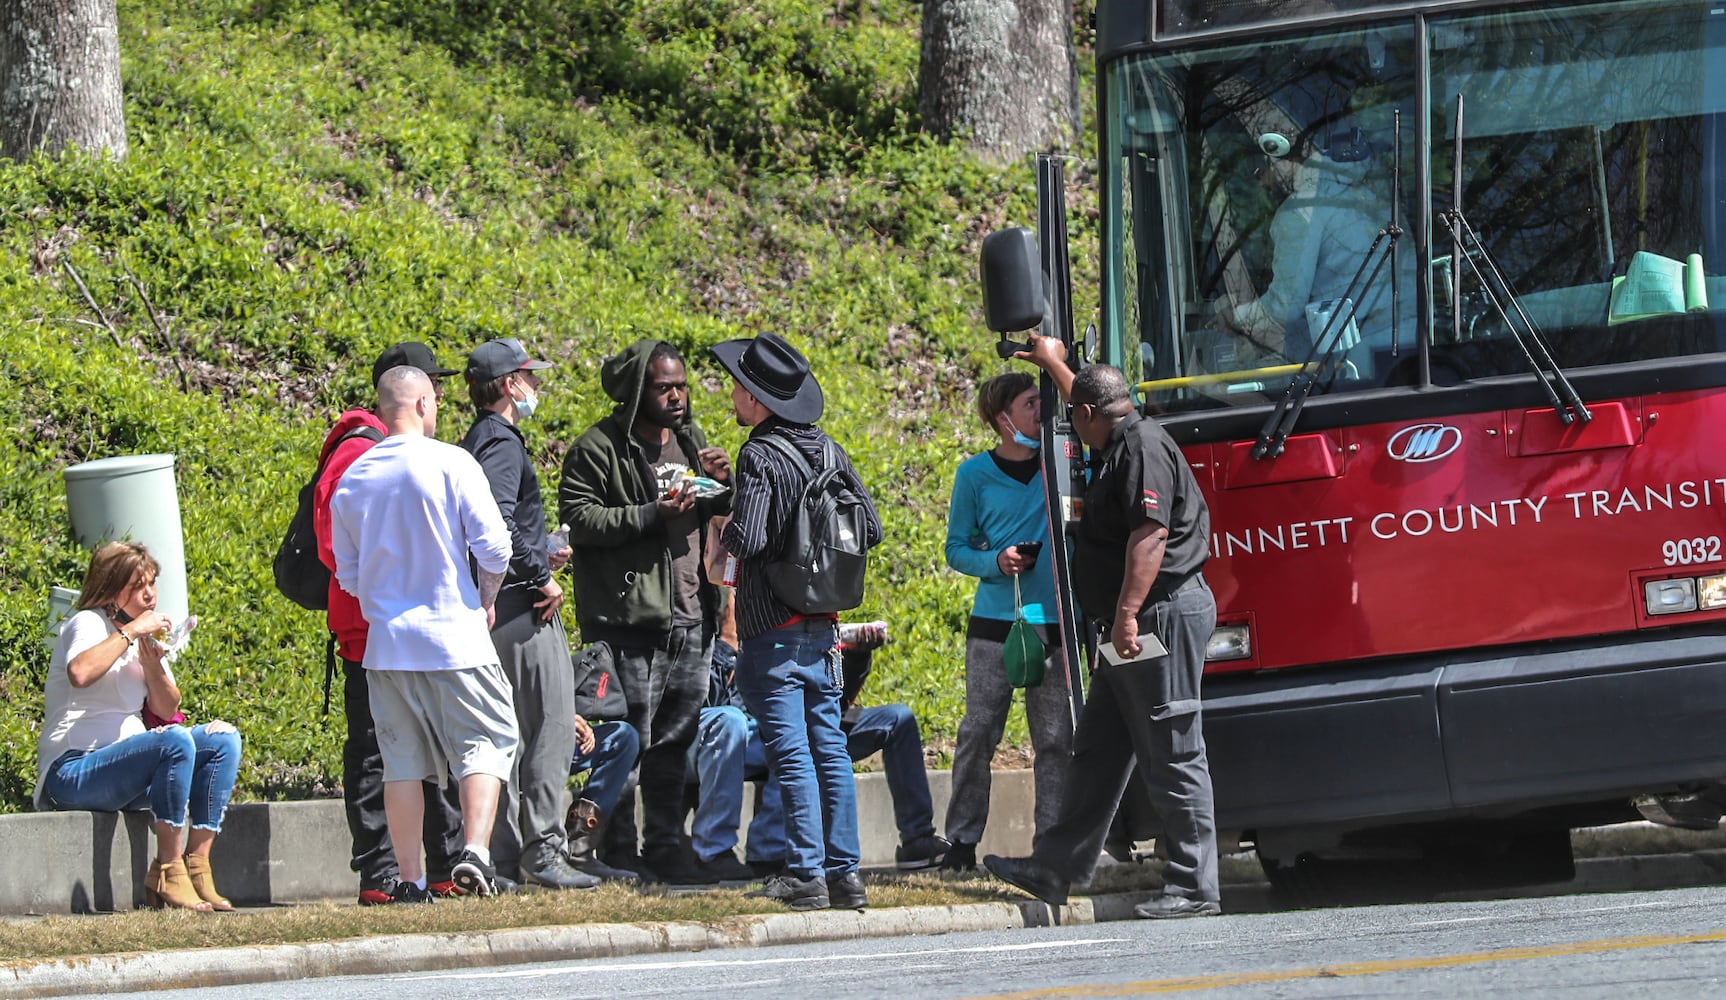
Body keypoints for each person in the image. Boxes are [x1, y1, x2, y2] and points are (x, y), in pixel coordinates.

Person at [984, 338, 1222, 920]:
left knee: (1173, 749)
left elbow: (1151, 537)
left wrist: (1124, 618)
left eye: (1076, 418)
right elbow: (1086, 399)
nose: (1073, 425)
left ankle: (1195, 887)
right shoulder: (1116, 430)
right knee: (1097, 749)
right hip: (1137, 621)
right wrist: (1051, 363)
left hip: (1154, 616)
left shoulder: (1141, 448)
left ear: (1091, 416)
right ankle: (1054, 868)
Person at [330, 365, 519, 902]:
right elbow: (496, 548)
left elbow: (346, 574)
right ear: (419, 405)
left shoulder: (355, 478)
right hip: (454, 635)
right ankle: (476, 852)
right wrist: (484, 598)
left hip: (388, 646)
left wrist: (382, 603)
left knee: (402, 761)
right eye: (433, 399)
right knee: (488, 738)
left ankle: (409, 880)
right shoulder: (452, 462)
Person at [711, 332, 883, 911]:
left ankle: (805, 873)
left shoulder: (759, 454)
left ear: (758, 400)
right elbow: (873, 528)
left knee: (790, 750)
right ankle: (846, 873)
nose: (732, 394)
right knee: (829, 748)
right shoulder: (828, 449)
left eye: (737, 386)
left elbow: (751, 538)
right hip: (824, 626)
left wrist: (722, 525)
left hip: (773, 627)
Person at [557, 339, 733, 884]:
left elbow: (716, 516)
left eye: (682, 385)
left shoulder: (690, 440)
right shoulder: (598, 449)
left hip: (691, 616)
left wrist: (724, 488)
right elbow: (578, 520)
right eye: (665, 387)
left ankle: (666, 845)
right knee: (630, 740)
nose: (678, 396)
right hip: (628, 620)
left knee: (674, 743)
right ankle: (616, 849)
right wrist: (649, 514)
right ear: (640, 392)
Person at [313, 341, 471, 906]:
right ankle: (380, 872)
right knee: (380, 749)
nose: (440, 398)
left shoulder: (399, 451)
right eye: (434, 386)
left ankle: (445, 866)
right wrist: (387, 591)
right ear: (408, 394)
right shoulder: (360, 450)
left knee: (433, 744)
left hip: (406, 627)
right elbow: (334, 545)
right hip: (371, 630)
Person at [458, 338, 597, 892]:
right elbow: (495, 520)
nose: (536, 386)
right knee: (549, 729)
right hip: (524, 607)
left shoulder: (479, 440)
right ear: (510, 385)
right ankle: (541, 850)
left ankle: (513, 854)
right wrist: (540, 573)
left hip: (503, 604)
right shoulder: (501, 444)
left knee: (510, 732)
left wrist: (543, 548)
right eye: (530, 377)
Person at [37, 541, 242, 911]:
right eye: (138, 585)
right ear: (111, 587)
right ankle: (168, 866)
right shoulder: (88, 622)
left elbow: (167, 708)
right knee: (174, 741)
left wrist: (151, 664)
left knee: (222, 739)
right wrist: (130, 634)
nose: (150, 594)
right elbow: (80, 673)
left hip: (126, 777)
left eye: (152, 583)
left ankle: (196, 865)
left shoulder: (141, 636)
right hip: (71, 771)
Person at [940, 372, 1074, 872]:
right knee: (978, 732)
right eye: (1031, 403)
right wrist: (996, 561)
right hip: (994, 623)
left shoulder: (1059, 465)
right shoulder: (973, 475)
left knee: (1056, 741)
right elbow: (956, 548)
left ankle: (1052, 847)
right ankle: (960, 843)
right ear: (1003, 418)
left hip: (1054, 622)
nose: (1042, 410)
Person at [1215, 129, 1410, 370]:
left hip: (1353, 362)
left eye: (1260, 172)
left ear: (1276, 157)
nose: (1263, 183)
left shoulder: (1300, 210)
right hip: (1406, 345)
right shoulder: (1370, 195)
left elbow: (1286, 306)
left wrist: (1236, 318)